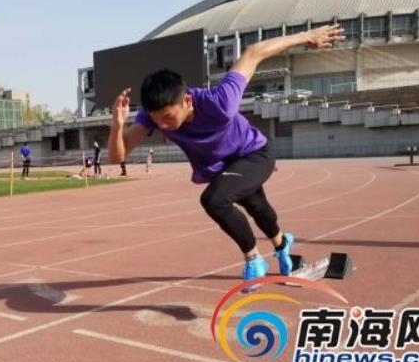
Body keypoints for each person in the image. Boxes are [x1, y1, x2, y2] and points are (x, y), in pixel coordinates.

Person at [108, 24, 344, 292]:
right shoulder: (152, 117)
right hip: (226, 167)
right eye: (155, 120)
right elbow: (119, 155)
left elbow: (254, 53)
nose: (162, 126)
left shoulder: (220, 101)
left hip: (255, 153)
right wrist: (117, 125)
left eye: (168, 117)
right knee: (258, 209)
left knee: (214, 199)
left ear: (187, 101)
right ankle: (282, 247)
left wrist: (306, 37)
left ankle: (253, 258)